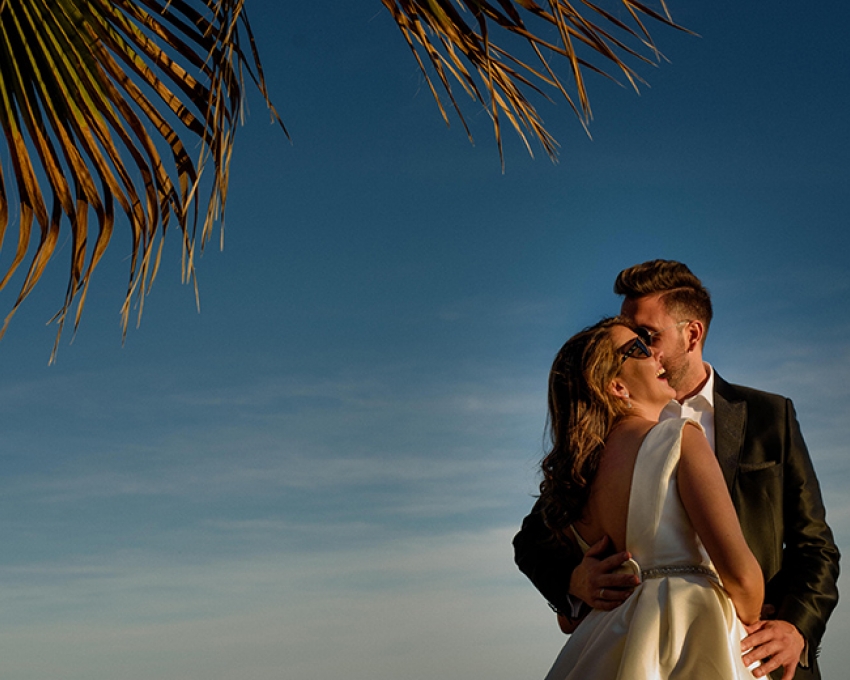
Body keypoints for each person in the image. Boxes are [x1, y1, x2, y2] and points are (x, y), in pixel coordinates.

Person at [514, 260, 840, 680]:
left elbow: (814, 544)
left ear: (691, 334)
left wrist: (798, 627)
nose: (646, 350)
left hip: (754, 656)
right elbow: (532, 539)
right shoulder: (594, 449)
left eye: (648, 336)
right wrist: (573, 584)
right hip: (632, 643)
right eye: (634, 341)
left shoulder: (768, 415)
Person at [538, 317, 763, 679]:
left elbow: (569, 620)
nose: (656, 354)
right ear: (616, 386)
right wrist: (751, 619)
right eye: (639, 349)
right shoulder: (678, 439)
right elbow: (742, 577)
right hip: (691, 634)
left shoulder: (572, 483)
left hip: (603, 643)